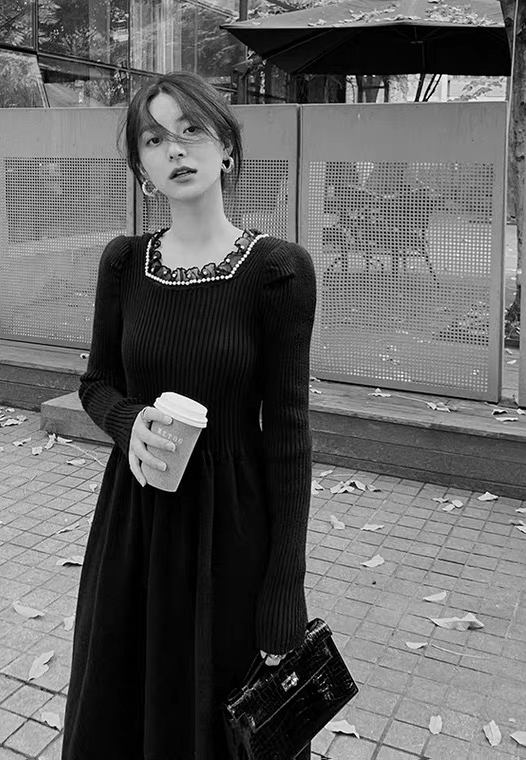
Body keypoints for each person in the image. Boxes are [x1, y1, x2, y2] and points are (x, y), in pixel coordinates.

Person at [62, 70, 317, 760]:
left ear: (226, 147)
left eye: (191, 130)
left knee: (220, 722)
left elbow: (288, 437)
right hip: (134, 526)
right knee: (121, 713)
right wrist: (127, 422)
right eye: (154, 139)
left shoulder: (278, 271)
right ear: (141, 168)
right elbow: (96, 383)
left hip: (231, 533)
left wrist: (284, 589)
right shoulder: (124, 264)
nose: (174, 149)